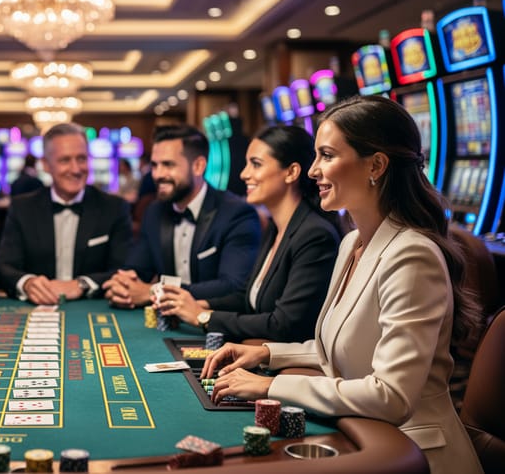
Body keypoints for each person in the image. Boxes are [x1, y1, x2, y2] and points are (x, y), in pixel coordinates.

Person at [202, 96, 484, 474]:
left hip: (412, 454)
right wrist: (266, 353)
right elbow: (338, 350)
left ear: (376, 165)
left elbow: (391, 395)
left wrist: (270, 387)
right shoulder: (351, 242)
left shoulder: (413, 256)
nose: (314, 170)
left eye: (327, 156)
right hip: (362, 436)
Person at [154, 125, 340, 342]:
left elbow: (285, 324)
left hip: (287, 364)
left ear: (291, 172)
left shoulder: (315, 236)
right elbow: (249, 298)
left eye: (256, 164)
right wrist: (198, 305)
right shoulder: (275, 227)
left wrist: (204, 317)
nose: (244, 174)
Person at [103, 124, 261, 307]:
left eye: (168, 165)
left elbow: (232, 286)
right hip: (168, 323)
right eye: (154, 165)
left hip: (215, 326)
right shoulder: (154, 212)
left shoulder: (236, 213)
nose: (158, 174)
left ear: (198, 166)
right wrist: (123, 284)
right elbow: (137, 269)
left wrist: (156, 291)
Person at [0, 123, 132, 304]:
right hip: (37, 309)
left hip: (93, 308)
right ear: (45, 164)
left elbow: (125, 269)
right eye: (65, 160)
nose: (76, 169)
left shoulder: (114, 207)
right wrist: (28, 283)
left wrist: (82, 284)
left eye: (82, 159)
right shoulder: (22, 208)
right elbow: (3, 266)